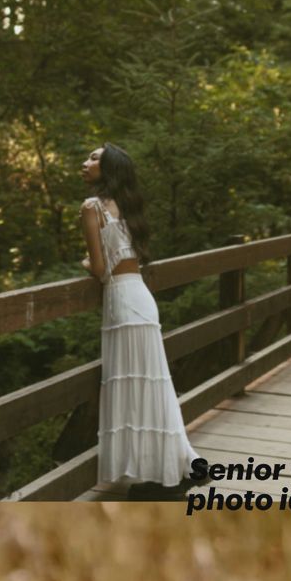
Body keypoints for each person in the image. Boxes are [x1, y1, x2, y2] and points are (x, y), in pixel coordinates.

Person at [80, 144, 197, 493]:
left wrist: (86, 264)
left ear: (109, 168)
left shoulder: (91, 208)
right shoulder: (130, 208)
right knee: (153, 385)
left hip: (120, 299)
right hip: (143, 301)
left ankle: (151, 473)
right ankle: (171, 466)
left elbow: (100, 269)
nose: (85, 163)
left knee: (131, 386)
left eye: (94, 158)